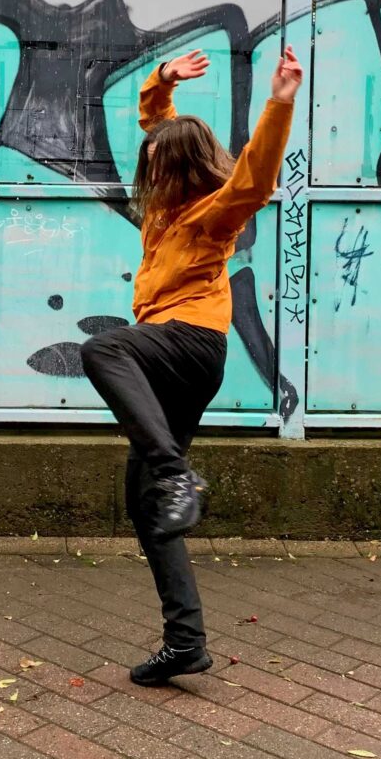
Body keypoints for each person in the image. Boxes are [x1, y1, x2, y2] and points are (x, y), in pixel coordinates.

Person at [81, 45, 302, 686]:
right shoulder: (161, 210)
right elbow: (157, 124)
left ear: (183, 167)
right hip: (167, 353)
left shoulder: (212, 216)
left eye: (159, 162)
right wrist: (162, 81)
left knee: (103, 348)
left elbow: (254, 180)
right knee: (146, 508)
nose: (148, 168)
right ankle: (185, 643)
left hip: (190, 343)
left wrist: (279, 102)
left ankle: (179, 474)